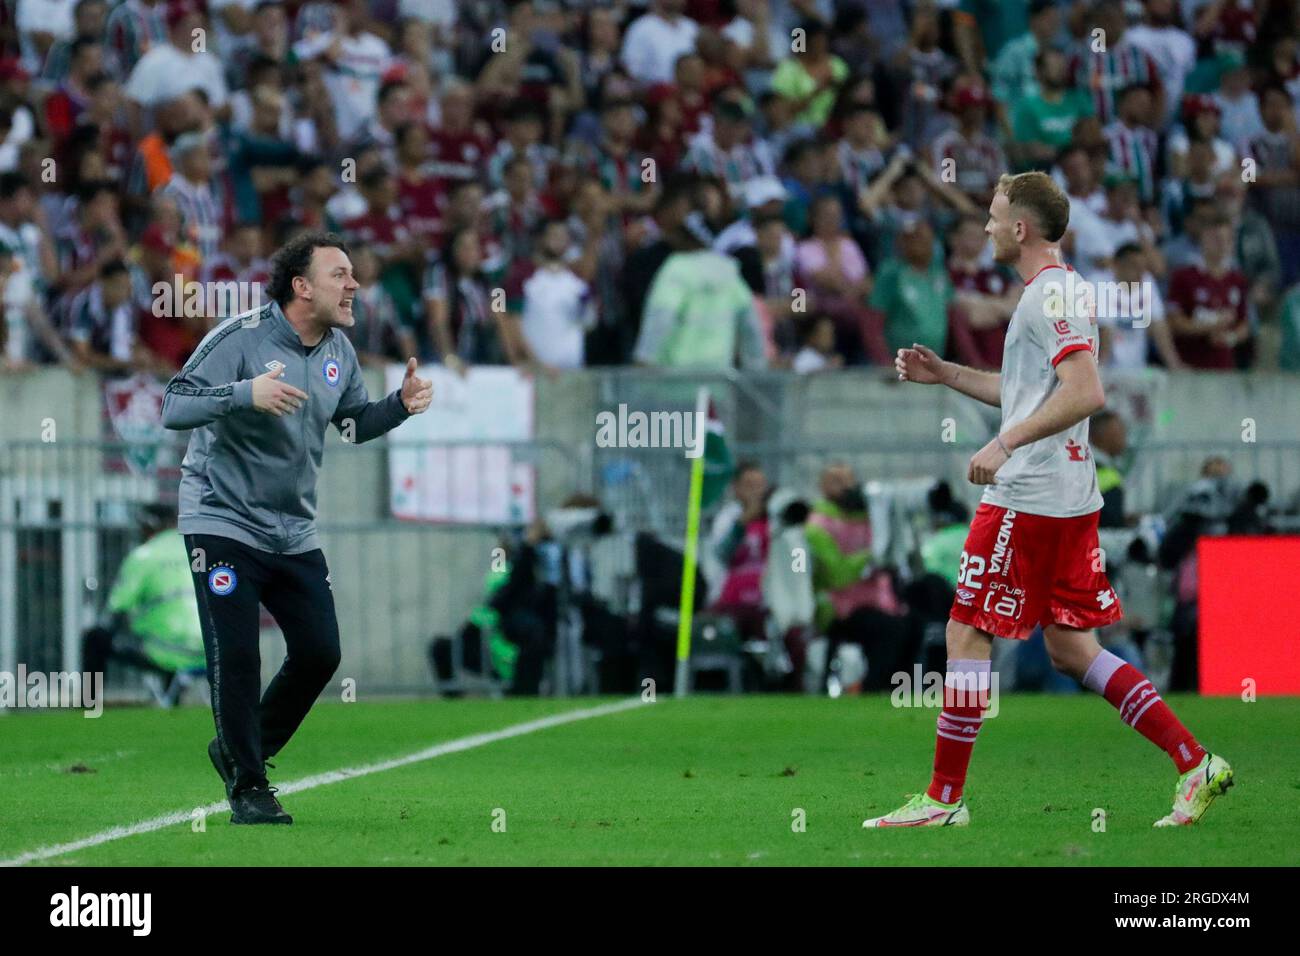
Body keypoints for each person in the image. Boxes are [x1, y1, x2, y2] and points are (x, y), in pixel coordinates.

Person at [869, 171, 1232, 829]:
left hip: (1029, 496)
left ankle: (945, 800)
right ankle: (1194, 763)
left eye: (992, 215)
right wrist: (947, 374)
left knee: (966, 629)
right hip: (1064, 495)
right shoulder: (1047, 294)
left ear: (1019, 228)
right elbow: (1034, 393)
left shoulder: (1051, 297)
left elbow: (1087, 390)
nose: (983, 227)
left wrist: (1005, 445)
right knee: (1071, 649)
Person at [161, 230, 433, 825]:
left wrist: (399, 405)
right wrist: (243, 394)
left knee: (320, 651)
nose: (354, 283)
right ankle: (250, 787)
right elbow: (173, 405)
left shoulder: (340, 351)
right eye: (341, 274)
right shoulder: (240, 338)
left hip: (292, 531)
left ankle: (237, 749)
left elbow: (352, 425)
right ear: (302, 286)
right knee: (236, 654)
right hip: (221, 521)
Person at [80, 504, 206, 706]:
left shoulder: (144, 555)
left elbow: (115, 612)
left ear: (148, 527)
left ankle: (88, 705)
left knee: (95, 639)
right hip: (208, 650)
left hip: (166, 651)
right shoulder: (195, 549)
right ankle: (172, 700)